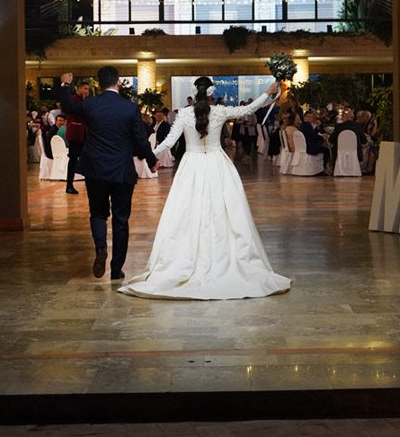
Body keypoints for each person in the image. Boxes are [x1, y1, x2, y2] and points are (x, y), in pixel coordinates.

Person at [119, 76, 290, 300]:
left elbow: (169, 142)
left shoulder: (183, 114)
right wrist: (268, 92)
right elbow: (249, 109)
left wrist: (147, 156)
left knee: (187, 212)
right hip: (217, 164)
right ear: (211, 93)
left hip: (191, 165)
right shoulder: (220, 111)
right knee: (223, 212)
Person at [58, 67, 157, 282]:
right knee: (121, 219)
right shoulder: (130, 108)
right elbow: (140, 140)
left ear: (98, 83)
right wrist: (151, 159)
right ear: (118, 82)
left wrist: (66, 85)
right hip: (121, 171)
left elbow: (68, 106)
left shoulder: (91, 104)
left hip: (95, 169)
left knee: (98, 213)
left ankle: (101, 247)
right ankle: (116, 269)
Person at [65, 81, 90, 194]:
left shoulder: (83, 100)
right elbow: (79, 112)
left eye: (88, 89)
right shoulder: (73, 100)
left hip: (83, 133)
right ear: (79, 88)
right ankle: (69, 185)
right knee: (73, 159)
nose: (87, 91)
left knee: (86, 158)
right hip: (75, 133)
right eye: (85, 89)